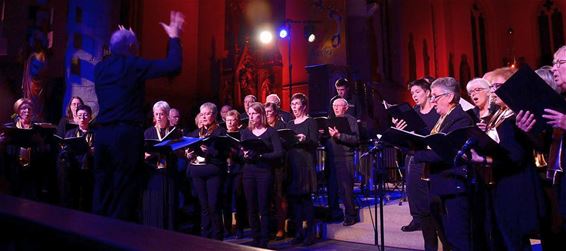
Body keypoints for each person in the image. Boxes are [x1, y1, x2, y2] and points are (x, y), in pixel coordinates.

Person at [92, 11, 184, 221]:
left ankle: (96, 236)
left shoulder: (100, 69)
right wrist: (173, 35)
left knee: (102, 190)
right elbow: (173, 65)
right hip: (125, 134)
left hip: (103, 135)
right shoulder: (133, 66)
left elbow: (118, 54)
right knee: (125, 191)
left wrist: (125, 41)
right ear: (131, 48)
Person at [463, 67, 544, 250]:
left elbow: (515, 156)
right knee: (504, 238)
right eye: (491, 87)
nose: (493, 91)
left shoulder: (516, 115)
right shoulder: (500, 114)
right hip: (501, 183)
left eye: (497, 86)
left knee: (516, 241)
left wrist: (483, 160)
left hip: (516, 186)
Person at [412, 77, 475, 250]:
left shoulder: (460, 119)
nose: (432, 100)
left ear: (449, 97)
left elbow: (446, 153)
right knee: (447, 237)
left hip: (454, 186)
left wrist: (417, 154)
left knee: (458, 238)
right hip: (440, 184)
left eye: (435, 96)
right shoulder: (444, 118)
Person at [516, 46, 566, 250]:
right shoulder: (560, 101)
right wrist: (529, 131)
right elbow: (548, 146)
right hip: (559, 180)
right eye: (553, 63)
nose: (554, 69)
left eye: (560, 63)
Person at [392, 78, 446, 251]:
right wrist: (399, 133)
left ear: (428, 92)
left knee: (439, 215)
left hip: (434, 166)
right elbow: (407, 144)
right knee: (423, 214)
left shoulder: (438, 112)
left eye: (417, 92)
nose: (414, 96)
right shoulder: (412, 113)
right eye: (412, 93)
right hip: (415, 165)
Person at [241, 102, 283, 248]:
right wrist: (244, 155)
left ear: (261, 114)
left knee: (264, 206)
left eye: (254, 113)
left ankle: (264, 239)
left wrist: (260, 156)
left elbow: (278, 153)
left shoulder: (271, 132)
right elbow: (242, 153)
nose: (251, 116)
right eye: (249, 114)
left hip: (264, 172)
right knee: (251, 206)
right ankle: (255, 237)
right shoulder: (246, 132)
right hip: (248, 172)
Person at [185, 102, 227, 240]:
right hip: (197, 172)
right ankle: (205, 236)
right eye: (202, 114)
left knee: (213, 204)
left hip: (213, 171)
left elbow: (223, 154)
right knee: (203, 206)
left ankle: (217, 237)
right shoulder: (195, 133)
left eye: (207, 114)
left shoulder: (220, 132)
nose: (204, 117)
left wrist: (209, 151)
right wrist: (189, 155)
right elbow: (188, 150)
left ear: (214, 115)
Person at [286, 93, 318, 246]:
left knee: (306, 200)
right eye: (292, 104)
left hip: (305, 163)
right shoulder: (290, 124)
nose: (294, 107)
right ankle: (298, 233)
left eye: (297, 104)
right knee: (295, 201)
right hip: (292, 163)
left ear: (304, 106)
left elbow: (315, 143)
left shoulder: (310, 121)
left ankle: (310, 234)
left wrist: (306, 139)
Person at [142, 100, 181, 229]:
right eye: (156, 114)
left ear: (168, 115)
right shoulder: (148, 133)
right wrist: (147, 155)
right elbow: (141, 154)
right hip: (153, 174)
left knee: (169, 205)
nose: (158, 117)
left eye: (162, 114)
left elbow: (181, 152)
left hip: (169, 173)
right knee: (154, 205)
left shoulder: (175, 132)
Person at [325, 98, 360, 226]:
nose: (336, 108)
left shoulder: (350, 120)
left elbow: (356, 139)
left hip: (345, 157)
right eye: (334, 105)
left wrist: (339, 136)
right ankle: (335, 214)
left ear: (345, 107)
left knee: (346, 188)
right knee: (332, 188)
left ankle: (351, 215)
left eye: (338, 106)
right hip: (331, 156)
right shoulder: (330, 120)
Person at [57, 104, 94, 211]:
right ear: (76, 118)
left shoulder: (96, 134)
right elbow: (64, 152)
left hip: (89, 170)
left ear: (90, 117)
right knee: (73, 198)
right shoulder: (70, 133)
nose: (82, 118)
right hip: (74, 170)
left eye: (85, 115)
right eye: (79, 116)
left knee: (87, 200)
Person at [265, 101, 287, 240]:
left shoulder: (281, 126)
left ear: (276, 112)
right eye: (265, 112)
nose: (267, 114)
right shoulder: (264, 127)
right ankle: (269, 227)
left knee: (280, 196)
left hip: (279, 165)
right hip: (267, 165)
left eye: (269, 112)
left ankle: (280, 227)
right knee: (268, 197)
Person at [223, 110, 247, 238]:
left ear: (238, 122)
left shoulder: (242, 135)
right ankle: (227, 228)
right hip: (225, 172)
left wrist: (236, 152)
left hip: (238, 170)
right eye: (228, 120)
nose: (230, 123)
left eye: (233, 120)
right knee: (225, 200)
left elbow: (244, 155)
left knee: (239, 200)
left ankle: (240, 228)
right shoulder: (223, 135)